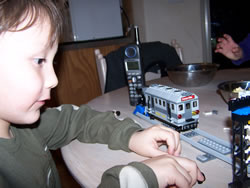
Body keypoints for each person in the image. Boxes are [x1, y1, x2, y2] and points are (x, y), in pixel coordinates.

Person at [0, 0, 205, 187]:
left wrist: (131, 136)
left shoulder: (28, 127)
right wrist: (137, 178)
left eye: (51, 61)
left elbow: (76, 119)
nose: (54, 80)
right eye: (38, 61)